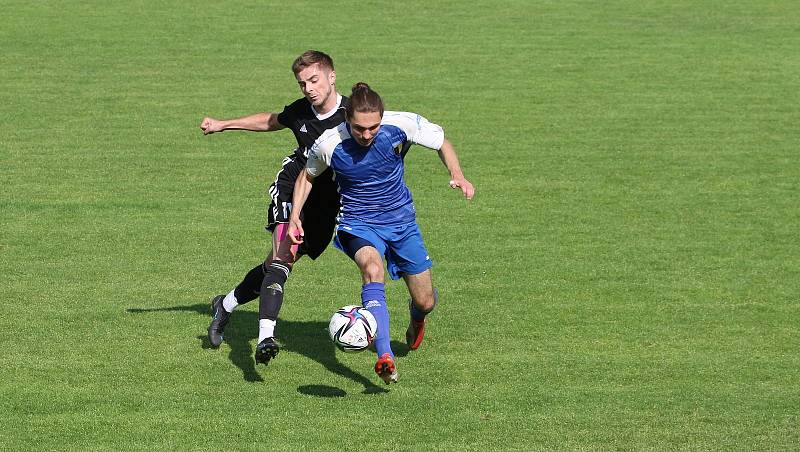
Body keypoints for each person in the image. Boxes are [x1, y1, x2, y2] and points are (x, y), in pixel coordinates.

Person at [288, 82, 475, 384]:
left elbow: (441, 141)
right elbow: (307, 177)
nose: (366, 135)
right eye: (359, 128)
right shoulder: (329, 142)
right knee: (372, 269)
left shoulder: (400, 125)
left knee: (426, 300)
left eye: (372, 127)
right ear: (347, 119)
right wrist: (295, 216)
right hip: (357, 224)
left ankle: (417, 318)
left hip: (402, 223)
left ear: (382, 118)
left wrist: (457, 175)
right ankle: (384, 356)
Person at [199, 50, 347, 365]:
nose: (308, 88)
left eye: (313, 80)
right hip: (292, 187)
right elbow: (270, 121)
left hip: (325, 207)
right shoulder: (300, 112)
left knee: (273, 267)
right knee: (284, 256)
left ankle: (224, 306)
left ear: (332, 77)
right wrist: (224, 124)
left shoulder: (354, 116)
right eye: (302, 83)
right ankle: (266, 336)